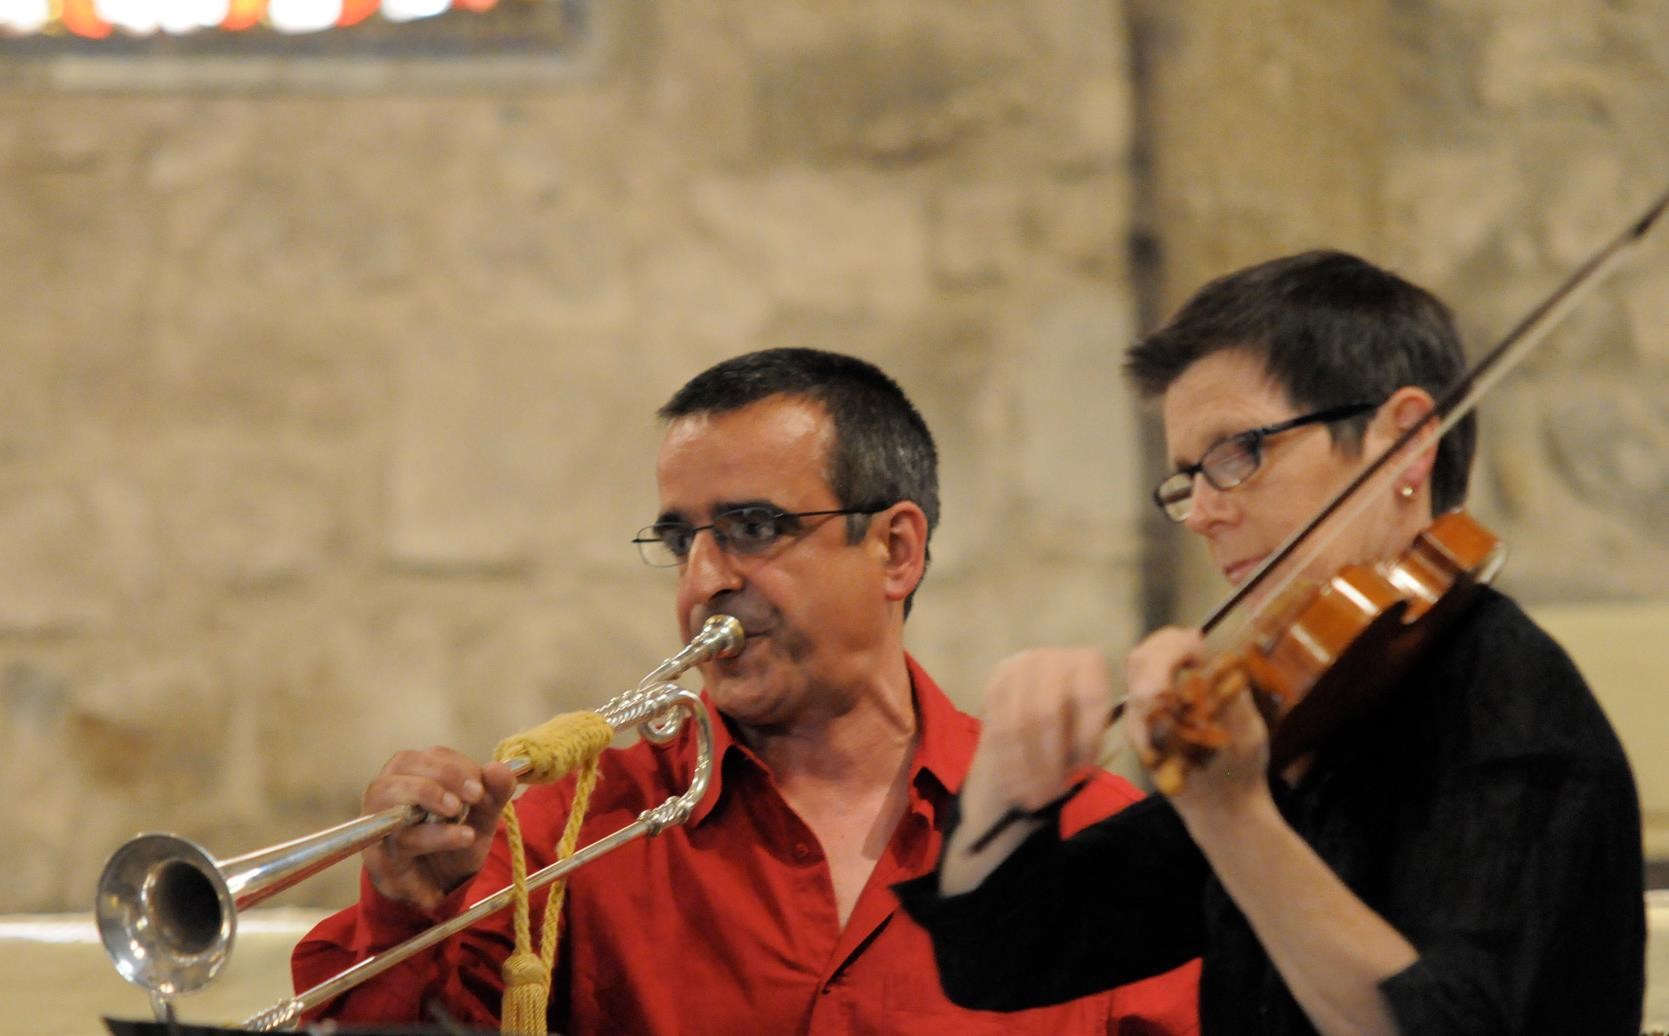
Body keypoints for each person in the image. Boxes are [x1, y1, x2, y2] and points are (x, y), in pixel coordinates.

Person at [293, 348, 1199, 1034]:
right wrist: (406, 908)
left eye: (752, 528)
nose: (704, 579)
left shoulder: (1092, 837)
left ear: (896, 550)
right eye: (680, 539)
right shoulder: (568, 833)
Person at [896, 252, 1646, 1034]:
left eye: (1238, 453)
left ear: (1406, 443)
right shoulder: (1302, 710)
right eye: (1189, 478)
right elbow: (1005, 954)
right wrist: (1006, 795)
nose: (1202, 514)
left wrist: (1232, 815)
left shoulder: (1511, 704)